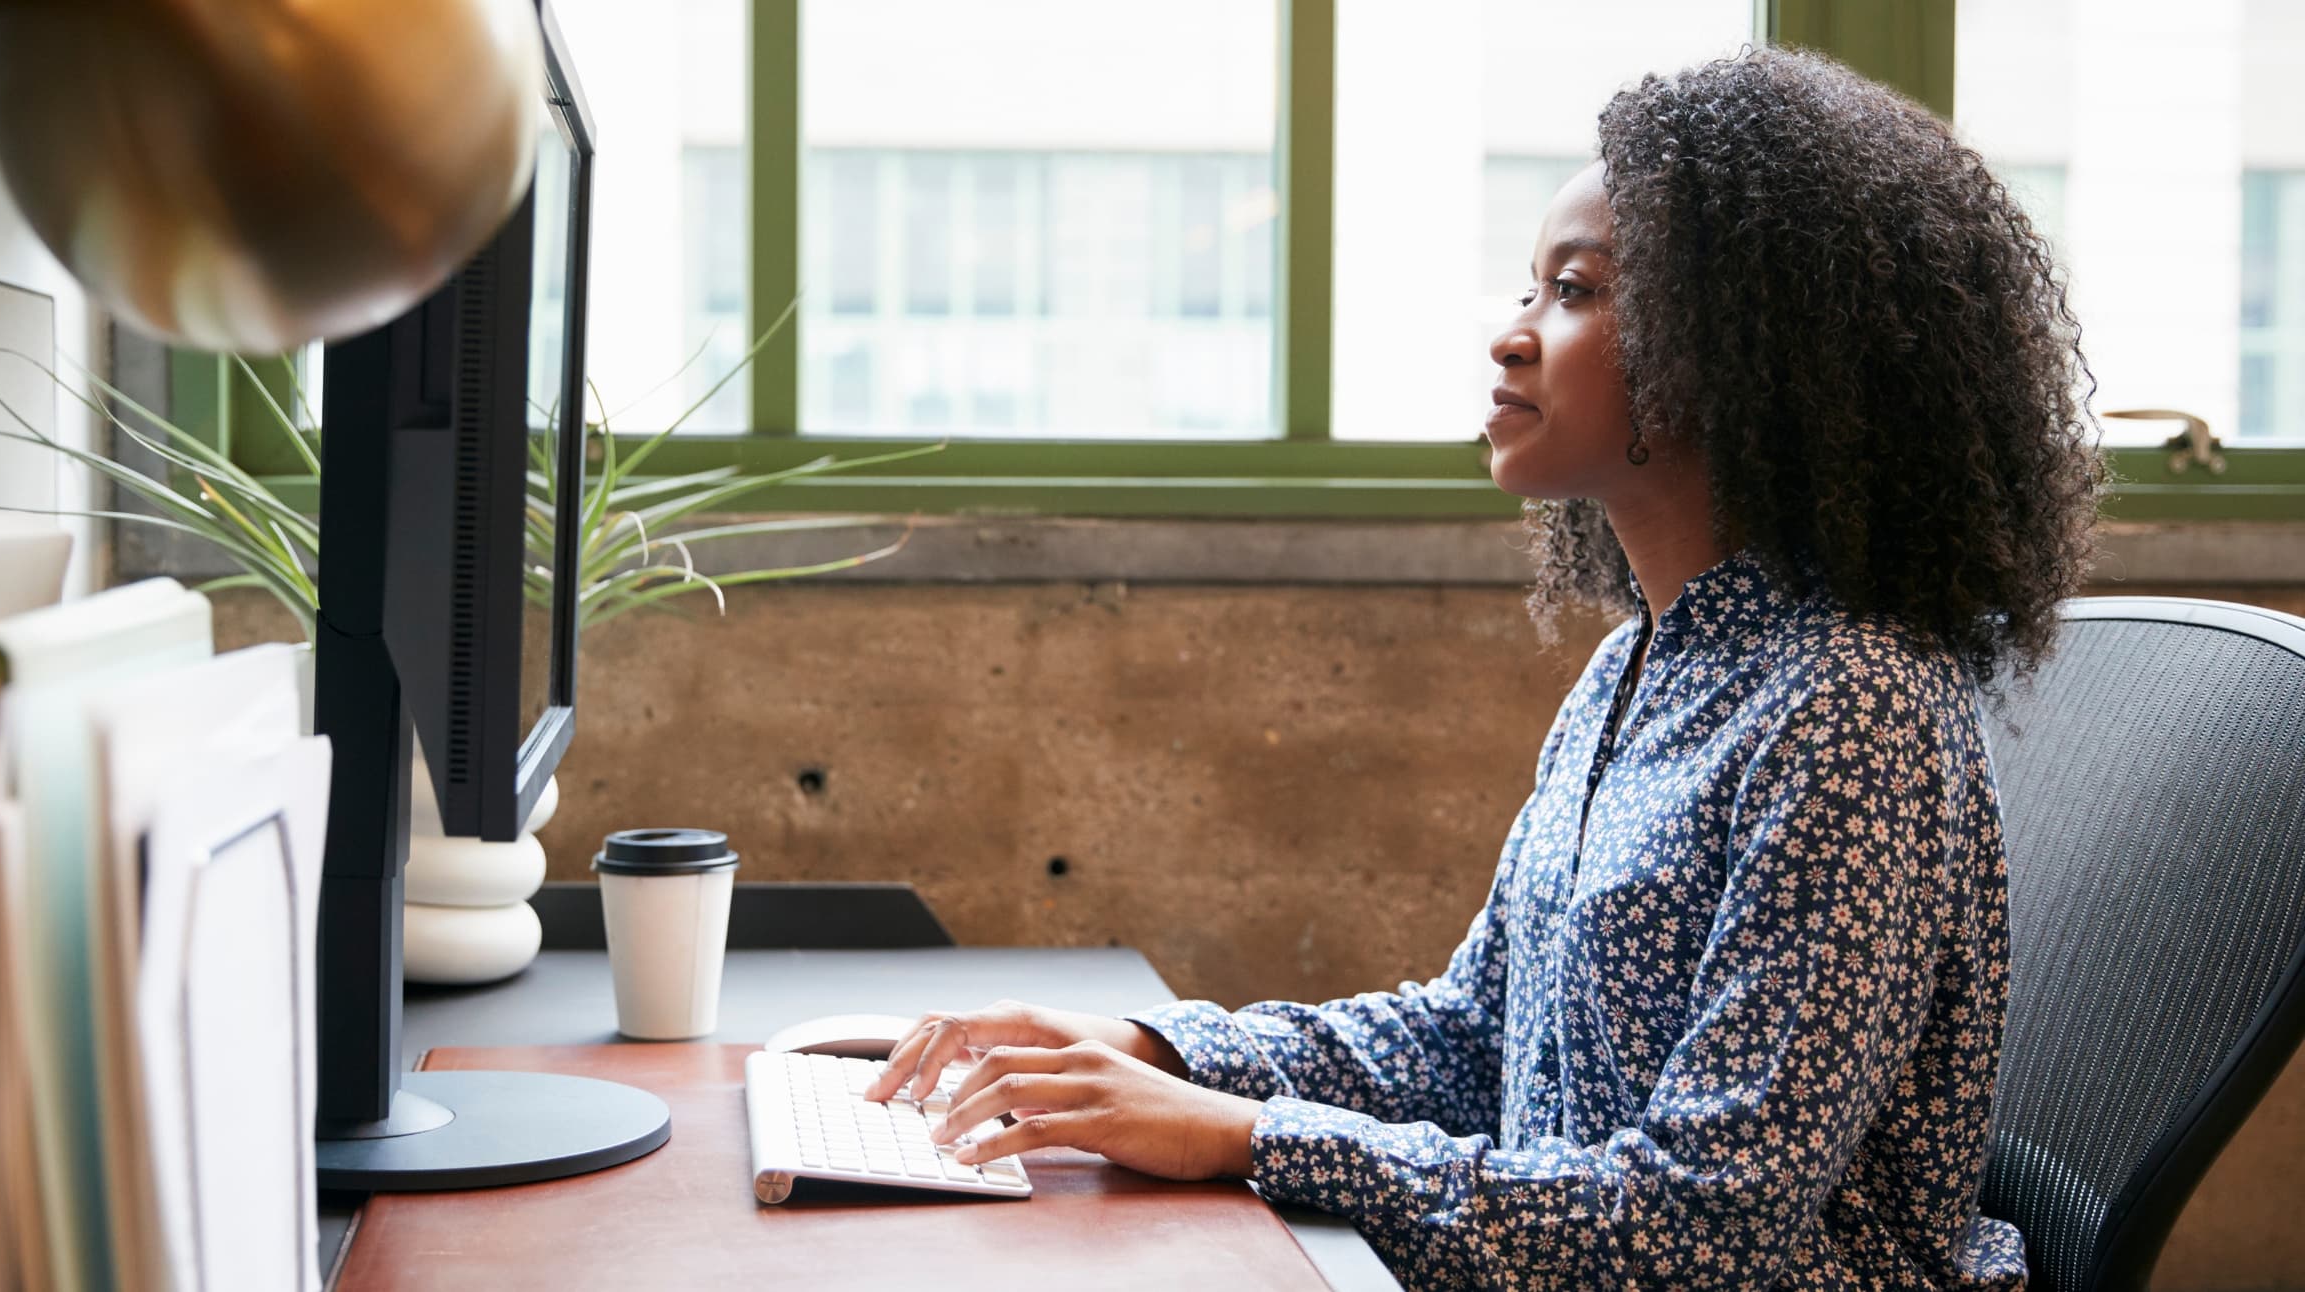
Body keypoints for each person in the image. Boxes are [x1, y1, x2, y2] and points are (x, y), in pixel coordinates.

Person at [862, 46, 2108, 1290]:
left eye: (1574, 291)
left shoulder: (1850, 706)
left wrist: (1250, 1135)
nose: (1512, 338)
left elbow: (1710, 1218)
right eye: (1530, 288)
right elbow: (1472, 1037)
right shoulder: (1640, 670)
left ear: (1747, 350)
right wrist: (1152, 1050)